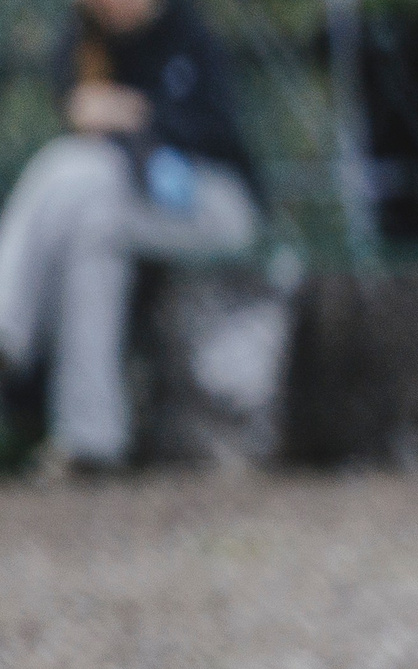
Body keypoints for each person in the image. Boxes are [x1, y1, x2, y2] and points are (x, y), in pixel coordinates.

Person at [0, 0, 262, 470]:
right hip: (121, 204)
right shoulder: (82, 43)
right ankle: (90, 438)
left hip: (215, 202)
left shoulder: (190, 33)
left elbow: (217, 131)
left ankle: (7, 323)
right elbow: (81, 117)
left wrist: (140, 116)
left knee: (72, 168)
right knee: (92, 234)